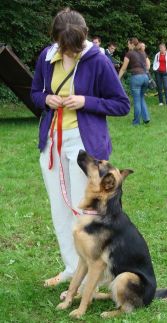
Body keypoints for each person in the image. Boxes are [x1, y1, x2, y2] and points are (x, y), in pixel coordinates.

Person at [31, 8, 130, 287]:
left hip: (84, 145)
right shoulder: (46, 57)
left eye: (74, 48)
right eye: (65, 48)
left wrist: (86, 101)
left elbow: (121, 104)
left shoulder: (98, 60)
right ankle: (71, 268)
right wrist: (46, 99)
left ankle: (93, 276)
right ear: (56, 41)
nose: (70, 54)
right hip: (52, 142)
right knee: (59, 209)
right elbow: (35, 92)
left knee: (83, 211)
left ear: (84, 38)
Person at [119, 38, 150, 125]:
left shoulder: (129, 54)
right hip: (145, 77)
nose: (127, 46)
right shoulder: (143, 52)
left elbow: (124, 68)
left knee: (136, 100)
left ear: (132, 44)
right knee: (141, 97)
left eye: (128, 44)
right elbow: (148, 65)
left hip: (136, 78)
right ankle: (146, 118)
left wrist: (118, 78)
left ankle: (136, 122)